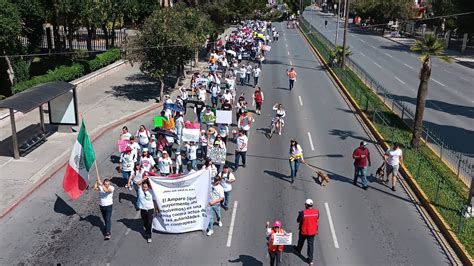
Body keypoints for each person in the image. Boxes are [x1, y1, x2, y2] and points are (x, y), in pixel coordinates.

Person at [294, 199, 319, 265]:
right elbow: (317, 218)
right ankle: (310, 260)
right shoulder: (316, 212)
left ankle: (298, 249)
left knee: (301, 241)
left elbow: (298, 220)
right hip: (313, 232)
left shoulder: (303, 213)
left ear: (306, 205)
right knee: (310, 245)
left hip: (304, 231)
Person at [136, 175, 159, 243]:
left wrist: (156, 208)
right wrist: (143, 179)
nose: (144, 188)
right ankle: (147, 230)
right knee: (145, 222)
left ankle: (149, 236)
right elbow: (138, 183)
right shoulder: (140, 190)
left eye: (146, 187)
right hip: (143, 209)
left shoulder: (151, 192)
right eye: (143, 187)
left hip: (150, 209)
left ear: (148, 187)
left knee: (149, 222)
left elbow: (154, 201)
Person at [94, 175, 114, 240]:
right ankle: (107, 226)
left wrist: (101, 184)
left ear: (109, 184)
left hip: (109, 206)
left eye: (108, 184)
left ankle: (108, 233)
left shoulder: (111, 188)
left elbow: (106, 191)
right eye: (105, 184)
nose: (107, 185)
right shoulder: (101, 187)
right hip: (101, 205)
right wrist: (97, 181)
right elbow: (95, 188)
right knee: (105, 218)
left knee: (108, 219)